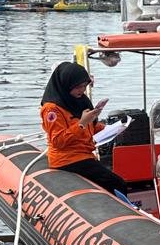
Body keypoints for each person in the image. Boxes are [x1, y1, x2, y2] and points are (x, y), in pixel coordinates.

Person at [40, 61, 127, 195]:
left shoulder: (79, 100)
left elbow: (91, 127)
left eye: (84, 86)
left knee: (112, 179)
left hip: (84, 155)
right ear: (66, 85)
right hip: (67, 159)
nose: (82, 90)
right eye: (78, 87)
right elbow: (58, 141)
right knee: (117, 183)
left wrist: (112, 129)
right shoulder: (52, 109)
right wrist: (81, 124)